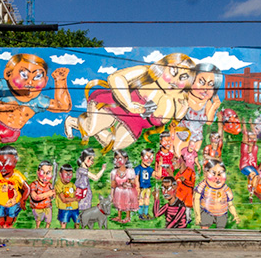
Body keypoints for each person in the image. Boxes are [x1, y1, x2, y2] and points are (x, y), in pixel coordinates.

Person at [65, 53, 195, 152]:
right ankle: (72, 121)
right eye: (173, 71)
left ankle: (91, 125)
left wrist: (183, 106)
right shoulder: (145, 72)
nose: (174, 80)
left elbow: (175, 117)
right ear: (164, 65)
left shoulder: (175, 97)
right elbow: (116, 78)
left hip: (136, 122)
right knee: (91, 130)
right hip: (114, 104)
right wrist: (128, 103)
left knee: (114, 145)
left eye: (183, 78)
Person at [0, 54, 71, 142]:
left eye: (38, 77)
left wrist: (60, 81)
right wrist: (6, 107)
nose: (30, 82)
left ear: (45, 81)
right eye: (24, 75)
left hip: (7, 131)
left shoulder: (38, 100)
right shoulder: (1, 85)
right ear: (8, 74)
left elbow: (63, 106)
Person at [178, 62, 223, 159]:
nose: (205, 88)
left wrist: (214, 106)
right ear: (192, 80)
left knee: (191, 160)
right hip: (181, 135)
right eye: (201, 82)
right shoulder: (183, 97)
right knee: (179, 158)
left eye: (211, 85)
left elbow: (209, 122)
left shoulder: (207, 103)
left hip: (197, 137)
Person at [0, 146, 29, 229]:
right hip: (0, 204)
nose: (2, 167)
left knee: (9, 221)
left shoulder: (17, 175)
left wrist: (23, 200)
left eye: (6, 163)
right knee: (1, 220)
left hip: (12, 204)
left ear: (15, 161)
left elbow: (27, 188)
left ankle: (8, 228)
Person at [193, 158, 239, 229]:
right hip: (207, 212)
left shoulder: (225, 188)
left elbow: (230, 204)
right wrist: (198, 215)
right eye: (213, 174)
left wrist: (235, 215)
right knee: (204, 229)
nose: (217, 177)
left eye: (220, 174)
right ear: (206, 173)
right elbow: (196, 199)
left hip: (222, 214)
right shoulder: (203, 185)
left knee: (220, 231)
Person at [75, 148, 106, 219]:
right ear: (86, 158)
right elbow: (95, 178)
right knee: (82, 216)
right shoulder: (82, 170)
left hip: (85, 197)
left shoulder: (83, 170)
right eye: (91, 160)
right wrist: (103, 169)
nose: (92, 162)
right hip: (82, 198)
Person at [109, 151, 139, 223]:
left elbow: (133, 183)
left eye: (119, 158)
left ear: (126, 159)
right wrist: (112, 195)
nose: (117, 161)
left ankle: (127, 217)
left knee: (127, 203)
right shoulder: (114, 172)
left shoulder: (129, 171)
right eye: (116, 158)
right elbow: (113, 185)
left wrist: (129, 185)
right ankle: (119, 216)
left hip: (127, 191)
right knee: (119, 203)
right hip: (118, 190)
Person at [29, 161, 56, 229]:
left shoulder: (50, 185)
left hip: (47, 207)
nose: (45, 176)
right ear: (38, 172)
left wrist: (53, 194)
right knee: (38, 221)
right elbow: (35, 197)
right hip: (37, 207)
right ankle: (37, 229)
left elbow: (53, 197)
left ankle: (46, 229)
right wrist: (48, 194)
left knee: (48, 221)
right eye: (43, 172)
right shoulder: (34, 185)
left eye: (48, 173)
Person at [54, 164, 79, 229]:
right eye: (66, 174)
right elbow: (63, 199)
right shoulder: (58, 184)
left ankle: (77, 233)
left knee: (77, 222)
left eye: (70, 174)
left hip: (74, 208)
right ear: (60, 174)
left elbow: (76, 195)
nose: (68, 176)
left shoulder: (72, 185)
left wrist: (79, 197)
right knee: (63, 223)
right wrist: (75, 199)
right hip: (64, 209)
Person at [135, 149, 156, 220]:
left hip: (148, 187)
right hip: (141, 187)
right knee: (141, 201)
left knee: (147, 200)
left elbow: (157, 175)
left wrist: (159, 164)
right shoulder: (138, 168)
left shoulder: (150, 169)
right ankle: (140, 214)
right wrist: (137, 189)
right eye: (147, 157)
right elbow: (136, 179)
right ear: (142, 157)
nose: (149, 160)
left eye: (151, 157)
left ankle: (146, 214)